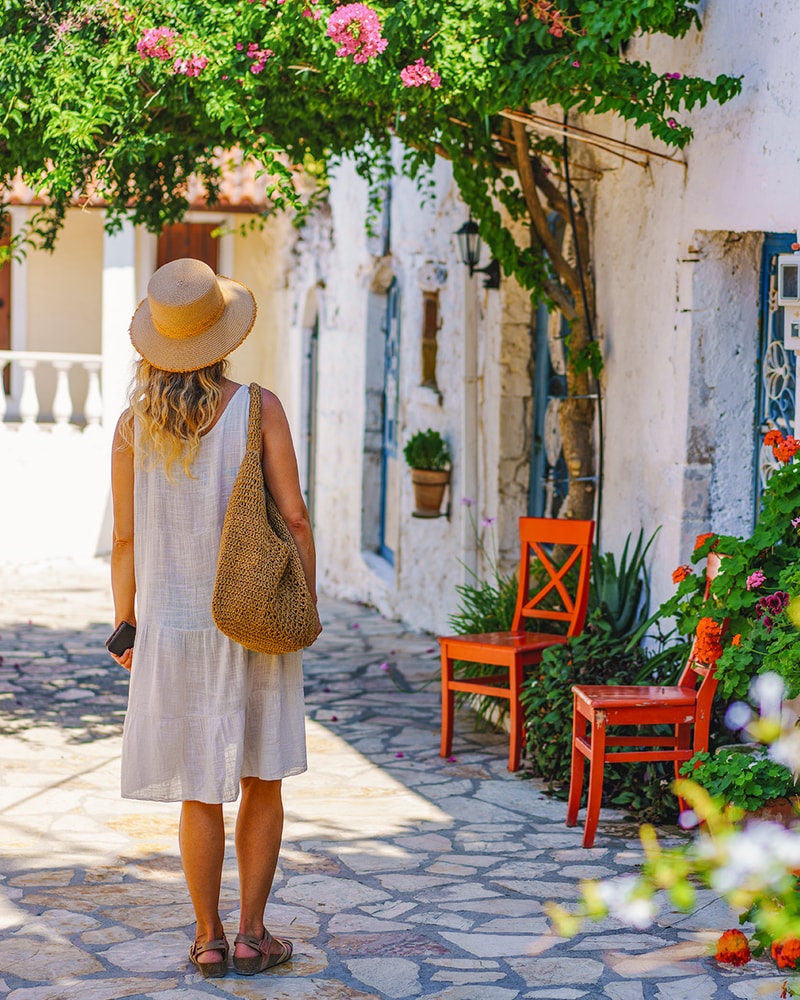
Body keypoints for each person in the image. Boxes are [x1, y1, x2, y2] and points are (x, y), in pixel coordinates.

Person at [108, 257, 319, 979]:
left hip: (171, 627)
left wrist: (125, 622)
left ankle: (207, 938)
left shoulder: (132, 427)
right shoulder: (260, 409)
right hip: (254, 616)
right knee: (262, 777)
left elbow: (127, 539)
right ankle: (256, 932)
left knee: (199, 786)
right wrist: (304, 607)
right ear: (223, 336)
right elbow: (293, 517)